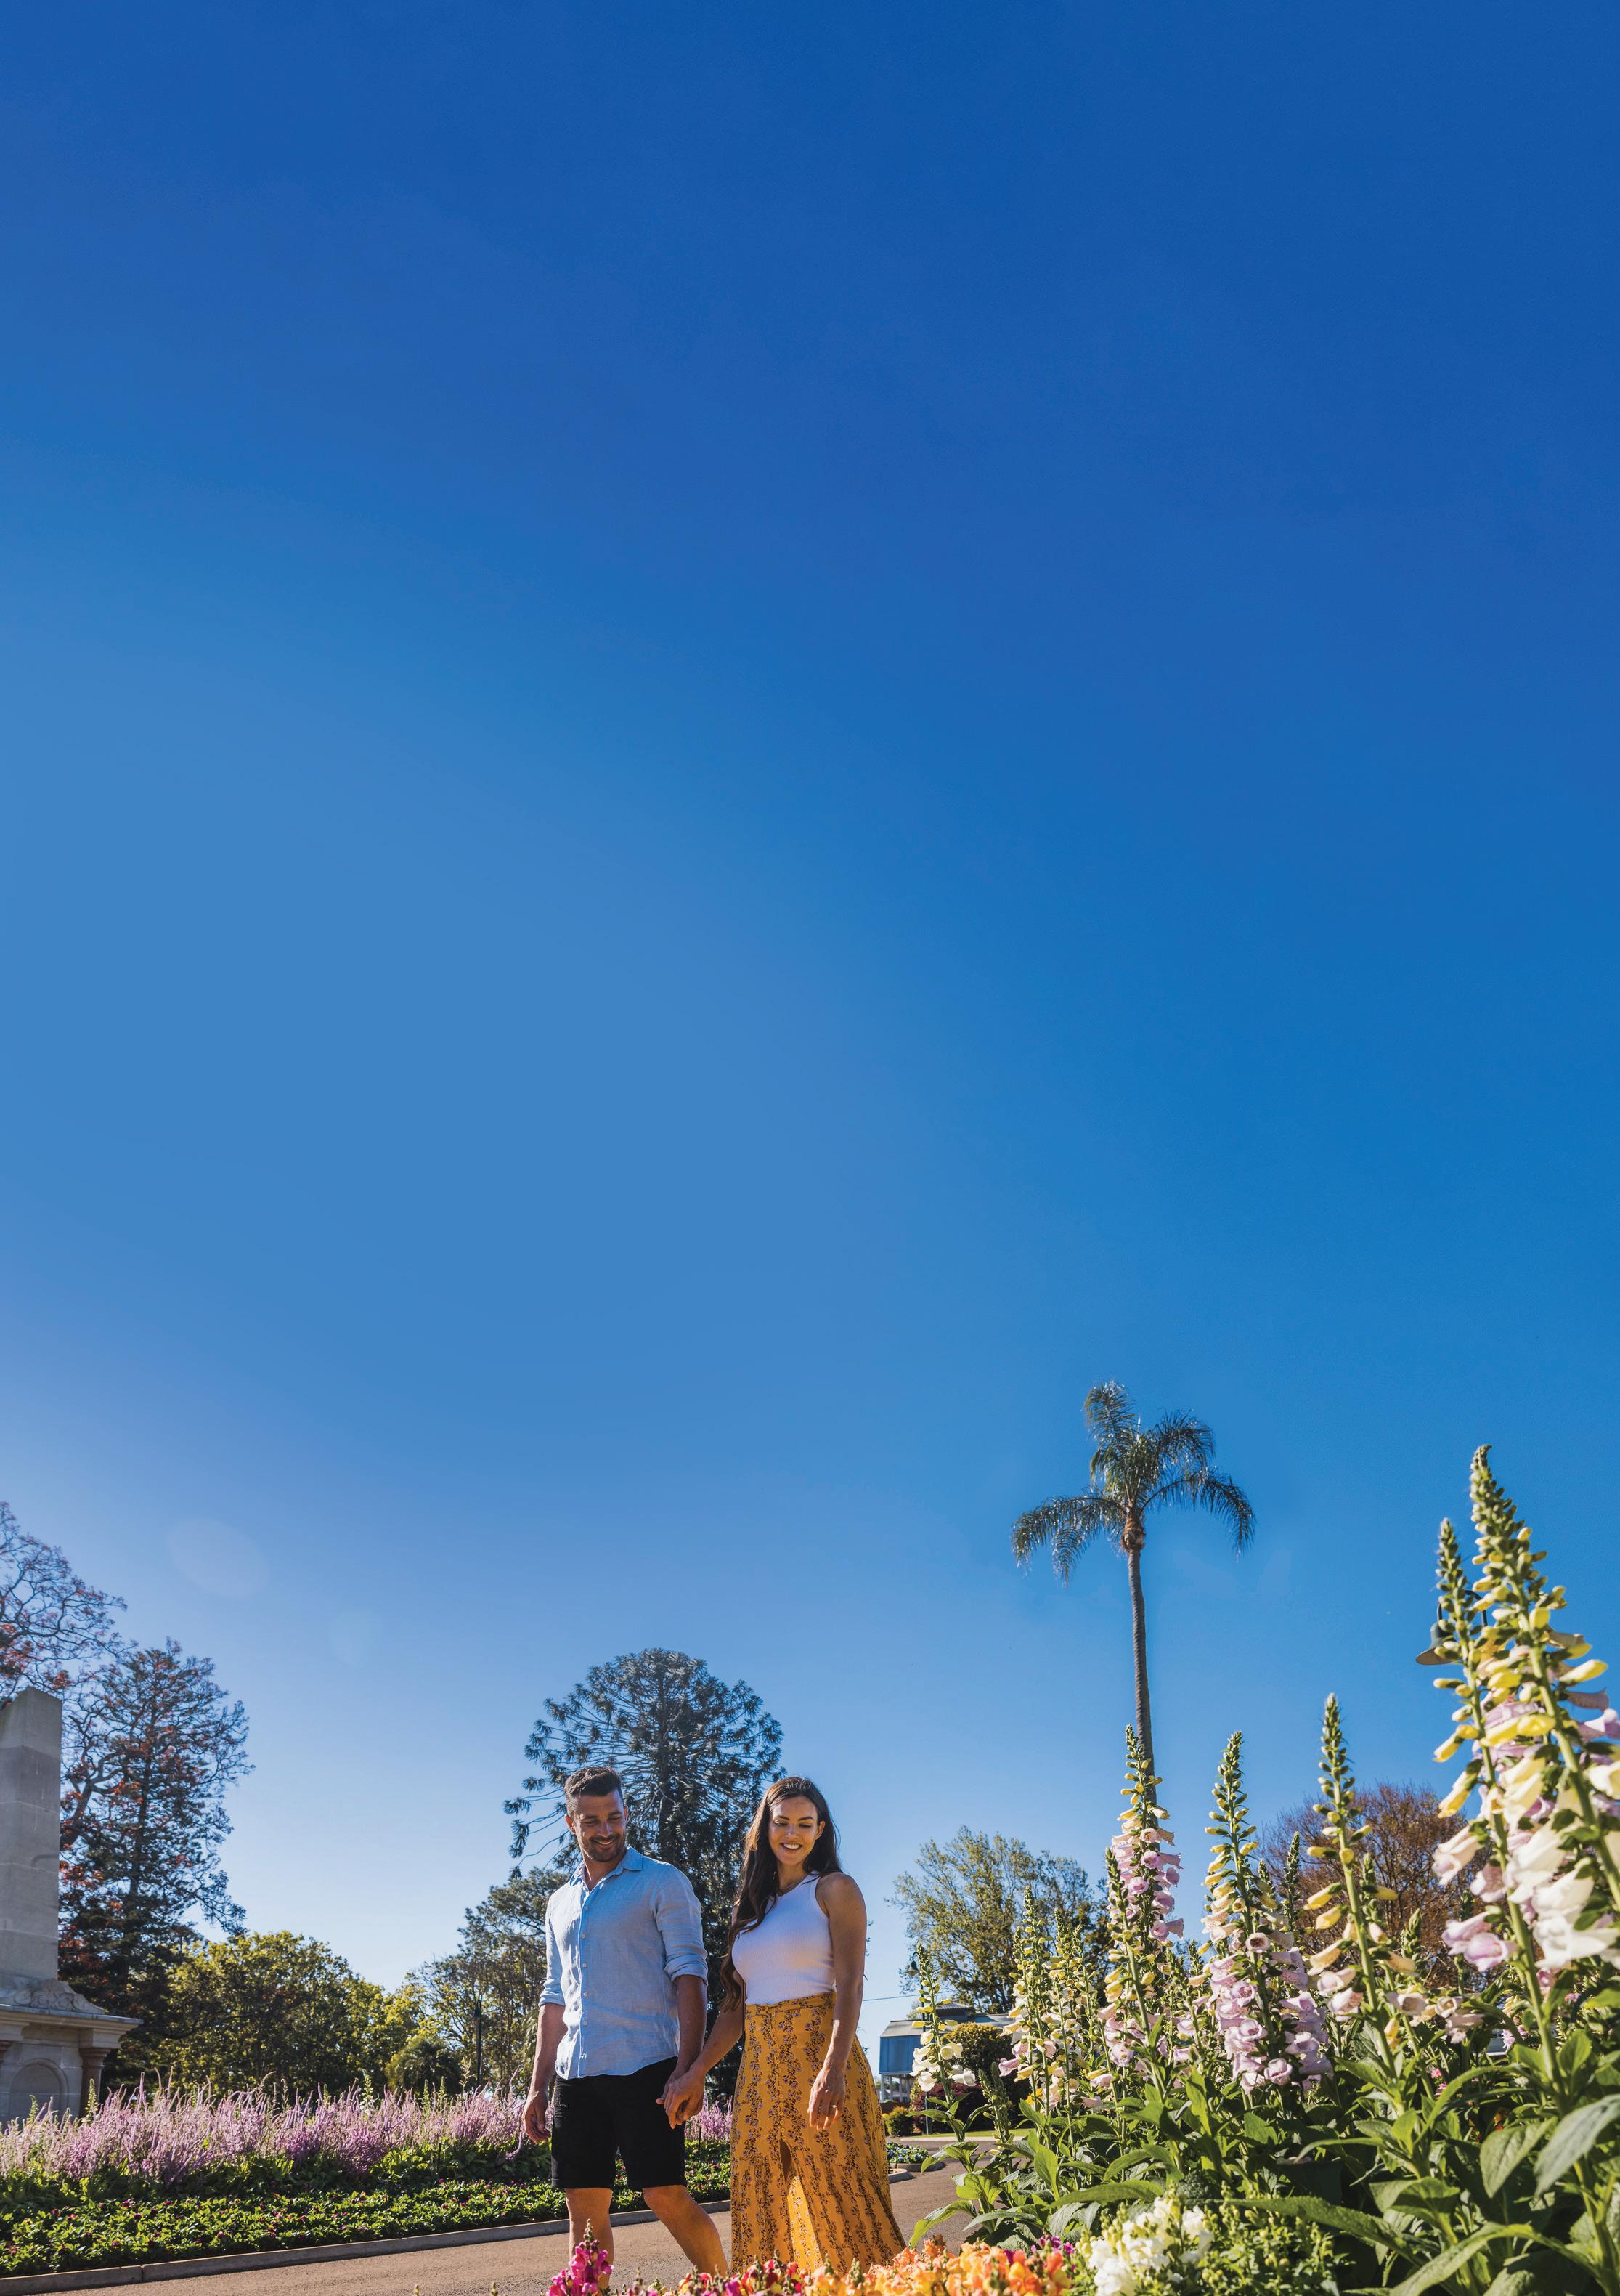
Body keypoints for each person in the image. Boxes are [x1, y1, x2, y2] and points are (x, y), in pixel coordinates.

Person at [662, 1776, 903, 2274]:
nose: (792, 1834)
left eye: (804, 1824)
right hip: (760, 2076)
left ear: (820, 1831)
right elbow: (736, 2006)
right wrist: (697, 2071)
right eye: (782, 1823)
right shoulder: (750, 1907)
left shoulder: (835, 1890)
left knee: (845, 2200)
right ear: (765, 1829)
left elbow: (851, 1985)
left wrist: (832, 2069)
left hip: (822, 2062)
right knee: (761, 2200)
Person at [521, 1765, 726, 2276]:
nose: (606, 1829)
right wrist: (537, 2086)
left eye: (614, 1816)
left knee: (664, 2193)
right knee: (583, 2209)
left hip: (646, 2068)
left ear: (626, 1813)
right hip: (576, 2075)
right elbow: (554, 1996)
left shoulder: (661, 1882)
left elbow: (691, 1975)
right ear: (572, 1822)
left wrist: (688, 2070)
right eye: (592, 1820)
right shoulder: (559, 1902)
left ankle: (726, 2287)